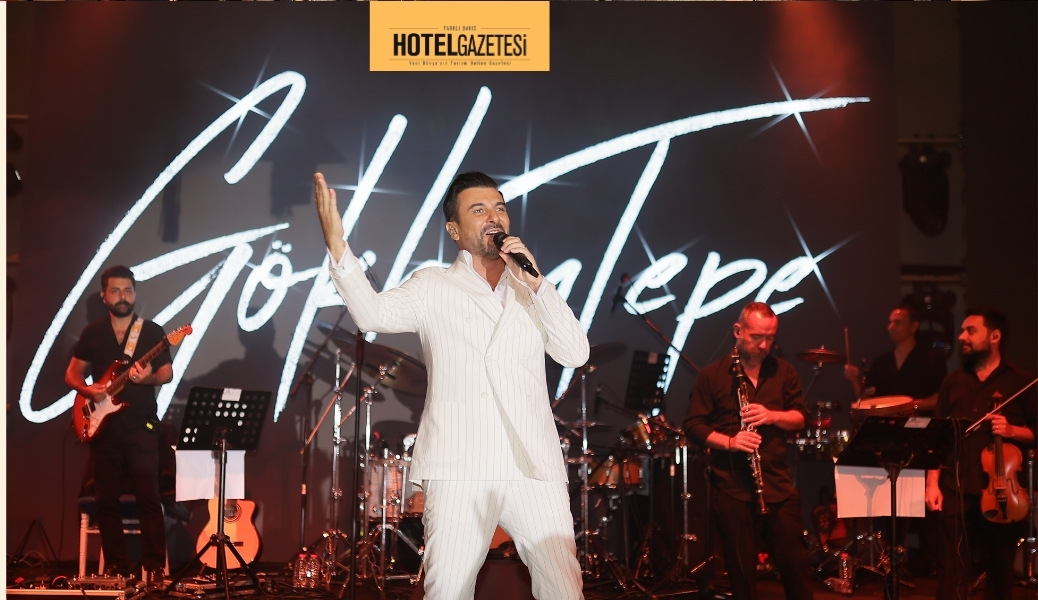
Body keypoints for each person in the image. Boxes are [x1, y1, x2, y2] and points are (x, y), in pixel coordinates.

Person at [313, 171, 588, 599]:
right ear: (454, 230)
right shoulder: (433, 285)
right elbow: (371, 314)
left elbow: (575, 353)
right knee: (448, 591)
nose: (494, 217)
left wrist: (538, 285)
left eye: (499, 208)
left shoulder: (530, 289)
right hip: (459, 464)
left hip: (532, 464)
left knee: (564, 590)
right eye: (479, 210)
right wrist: (337, 246)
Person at [683, 302, 815, 600]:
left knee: (796, 567)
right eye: (757, 337)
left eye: (770, 338)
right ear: (738, 331)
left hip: (777, 484)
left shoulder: (784, 371)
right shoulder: (713, 375)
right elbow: (693, 425)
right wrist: (731, 442)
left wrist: (771, 415)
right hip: (733, 487)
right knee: (742, 575)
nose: (764, 345)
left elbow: (800, 418)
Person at [65, 265, 173, 584]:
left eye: (128, 290)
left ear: (135, 294)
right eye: (116, 290)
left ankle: (153, 566)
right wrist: (88, 391)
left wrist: (148, 378)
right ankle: (116, 566)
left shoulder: (151, 332)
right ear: (104, 296)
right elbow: (72, 374)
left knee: (148, 496)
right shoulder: (93, 333)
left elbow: (166, 373)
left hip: (141, 426)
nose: (123, 296)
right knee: (106, 499)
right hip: (104, 429)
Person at [925, 306, 1036, 600]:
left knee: (999, 575)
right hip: (956, 487)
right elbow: (938, 436)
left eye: (971, 331)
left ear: (994, 336)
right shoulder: (953, 382)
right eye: (962, 330)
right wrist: (932, 483)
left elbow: (1036, 431)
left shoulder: (1020, 381)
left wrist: (1013, 431)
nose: (962, 336)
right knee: (952, 573)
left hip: (1002, 495)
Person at [843, 303, 947, 414]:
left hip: (919, 422)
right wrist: (854, 380)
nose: (891, 327)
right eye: (890, 322)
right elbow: (866, 401)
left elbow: (941, 398)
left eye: (897, 323)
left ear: (913, 327)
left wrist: (908, 406)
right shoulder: (881, 363)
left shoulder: (931, 359)